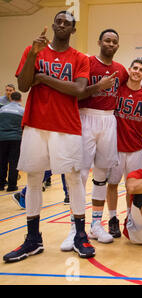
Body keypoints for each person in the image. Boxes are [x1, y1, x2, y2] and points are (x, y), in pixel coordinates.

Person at [3, 11, 95, 263]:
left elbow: (78, 89)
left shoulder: (79, 58)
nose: (62, 25)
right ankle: (33, 239)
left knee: (74, 179)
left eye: (68, 23)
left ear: (73, 30)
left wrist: (42, 78)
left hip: (66, 125)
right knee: (33, 180)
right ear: (54, 25)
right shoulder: (33, 51)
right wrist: (33, 54)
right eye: (59, 21)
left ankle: (79, 236)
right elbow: (23, 85)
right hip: (35, 123)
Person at [70, 29, 128, 247]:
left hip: (108, 120)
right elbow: (76, 91)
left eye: (115, 41)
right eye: (107, 40)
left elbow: (130, 86)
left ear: (118, 45)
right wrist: (98, 87)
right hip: (85, 117)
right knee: (81, 174)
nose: (111, 44)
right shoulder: (86, 61)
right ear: (99, 42)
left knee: (101, 174)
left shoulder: (120, 70)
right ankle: (74, 228)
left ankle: (96, 224)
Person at [106, 59, 142, 238]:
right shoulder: (118, 89)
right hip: (115, 147)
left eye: (141, 70)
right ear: (129, 70)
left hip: (135, 148)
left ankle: (130, 216)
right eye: (134, 68)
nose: (137, 71)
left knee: (132, 187)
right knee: (112, 184)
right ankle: (113, 219)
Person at [0, 91, 24, 192]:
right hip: (16, 139)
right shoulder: (22, 111)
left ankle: (0, 185)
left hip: (2, 138)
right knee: (14, 162)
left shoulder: (2, 109)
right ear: (20, 99)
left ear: (10, 99)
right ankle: (12, 186)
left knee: (1, 162)